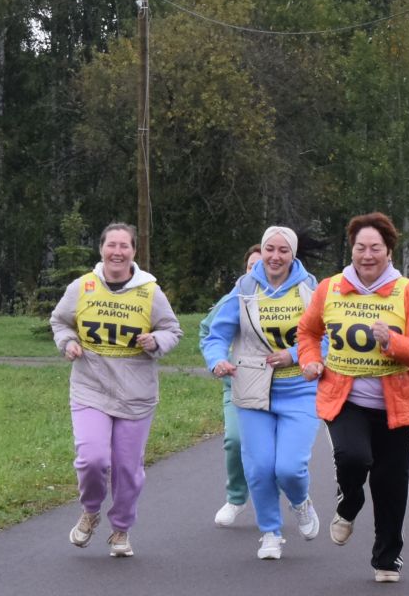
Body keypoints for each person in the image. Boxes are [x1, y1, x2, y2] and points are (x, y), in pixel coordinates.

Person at [296, 212, 409, 583]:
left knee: (390, 483)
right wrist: (309, 360)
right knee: (353, 457)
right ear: (351, 250)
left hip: (397, 404)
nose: (367, 255)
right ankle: (350, 502)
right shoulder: (330, 288)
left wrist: (391, 341)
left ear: (389, 251)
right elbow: (307, 332)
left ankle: (387, 560)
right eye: (360, 247)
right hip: (345, 398)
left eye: (375, 248)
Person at [49, 223, 183, 557]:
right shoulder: (83, 287)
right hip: (90, 385)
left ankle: (121, 529)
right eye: (112, 245)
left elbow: (172, 329)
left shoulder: (150, 291)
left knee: (126, 467)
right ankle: (91, 511)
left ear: (134, 252)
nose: (118, 252)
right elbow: (60, 321)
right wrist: (67, 343)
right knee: (92, 458)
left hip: (135, 392)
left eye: (125, 246)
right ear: (101, 249)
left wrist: (156, 341)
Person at [203, 227, 323, 560]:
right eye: (270, 248)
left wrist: (295, 355)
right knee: (258, 467)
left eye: (283, 250)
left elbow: (327, 337)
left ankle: (301, 501)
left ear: (293, 254)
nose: (275, 256)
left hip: (299, 389)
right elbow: (216, 335)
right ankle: (270, 533)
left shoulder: (310, 288)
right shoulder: (244, 288)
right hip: (252, 388)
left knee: (289, 467)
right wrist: (217, 361)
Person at [209, 246, 265, 529]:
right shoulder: (232, 299)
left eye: (261, 265)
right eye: (250, 266)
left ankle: (288, 492)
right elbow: (208, 331)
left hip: (277, 386)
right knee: (235, 440)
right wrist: (218, 359)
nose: (255, 271)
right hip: (239, 383)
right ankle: (236, 498)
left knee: (276, 455)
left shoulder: (285, 301)